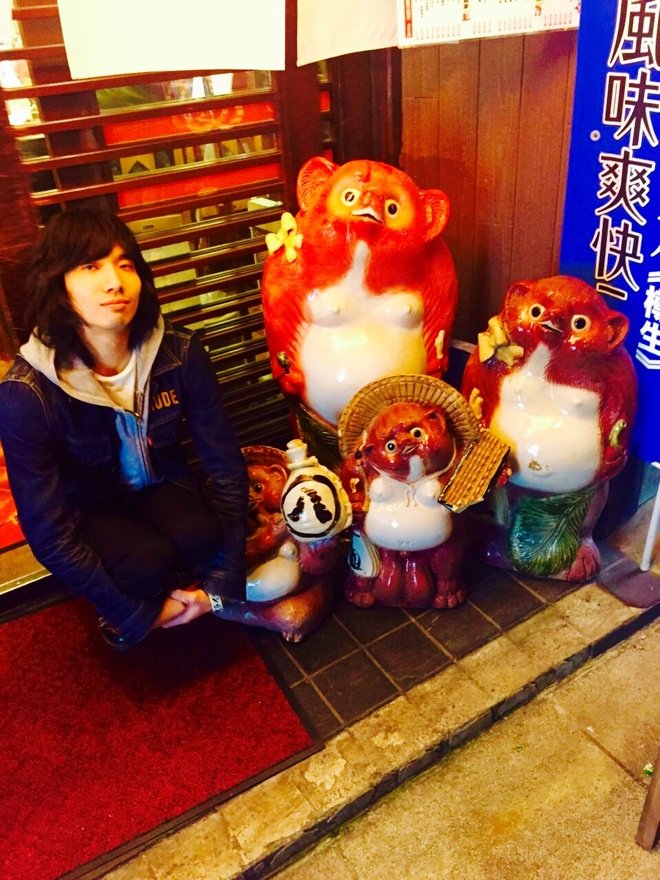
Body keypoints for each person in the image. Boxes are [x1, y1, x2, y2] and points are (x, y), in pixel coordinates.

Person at [0, 208, 249, 648]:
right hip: (89, 511)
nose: (114, 282)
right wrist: (135, 616)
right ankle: (134, 590)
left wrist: (218, 587)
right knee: (147, 566)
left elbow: (226, 469)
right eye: (90, 267)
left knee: (202, 536)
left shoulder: (180, 353)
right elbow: (48, 535)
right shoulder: (25, 394)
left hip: (158, 485)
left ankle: (169, 575)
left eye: (125, 265)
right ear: (57, 283)